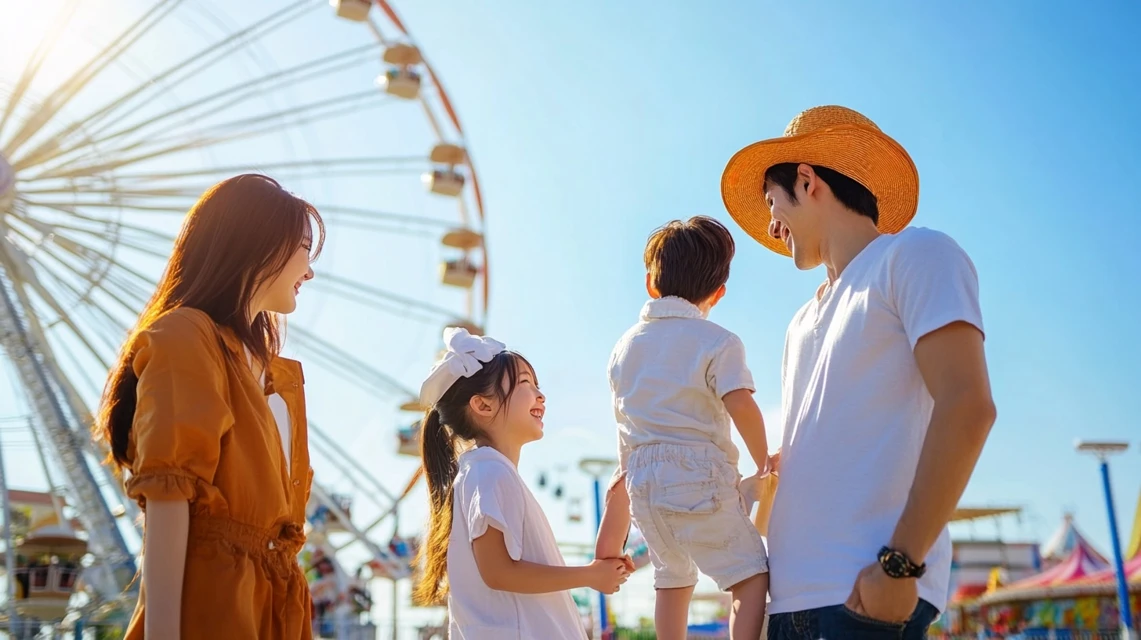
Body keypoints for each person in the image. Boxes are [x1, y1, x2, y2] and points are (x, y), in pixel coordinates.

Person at [721, 105, 997, 639]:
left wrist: (900, 566)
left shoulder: (916, 254)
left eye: (772, 202)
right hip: (785, 606)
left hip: (864, 599)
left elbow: (968, 405)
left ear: (807, 180)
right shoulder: (800, 321)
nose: (772, 225)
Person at [94, 174, 323, 639]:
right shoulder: (186, 336)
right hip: (216, 605)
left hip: (275, 614)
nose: (310, 270)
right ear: (259, 243)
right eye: (302, 247)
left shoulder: (276, 379)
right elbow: (169, 493)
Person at [595, 216, 775, 640]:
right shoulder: (717, 341)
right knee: (749, 576)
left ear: (650, 285)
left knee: (671, 579)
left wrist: (619, 508)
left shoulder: (623, 348)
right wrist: (763, 462)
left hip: (643, 484)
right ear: (718, 293)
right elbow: (741, 405)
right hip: (697, 473)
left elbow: (626, 432)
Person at [413, 328, 632, 640]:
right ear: (483, 405)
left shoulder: (485, 472)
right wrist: (589, 575)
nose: (541, 395)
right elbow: (499, 572)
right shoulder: (489, 472)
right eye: (526, 384)